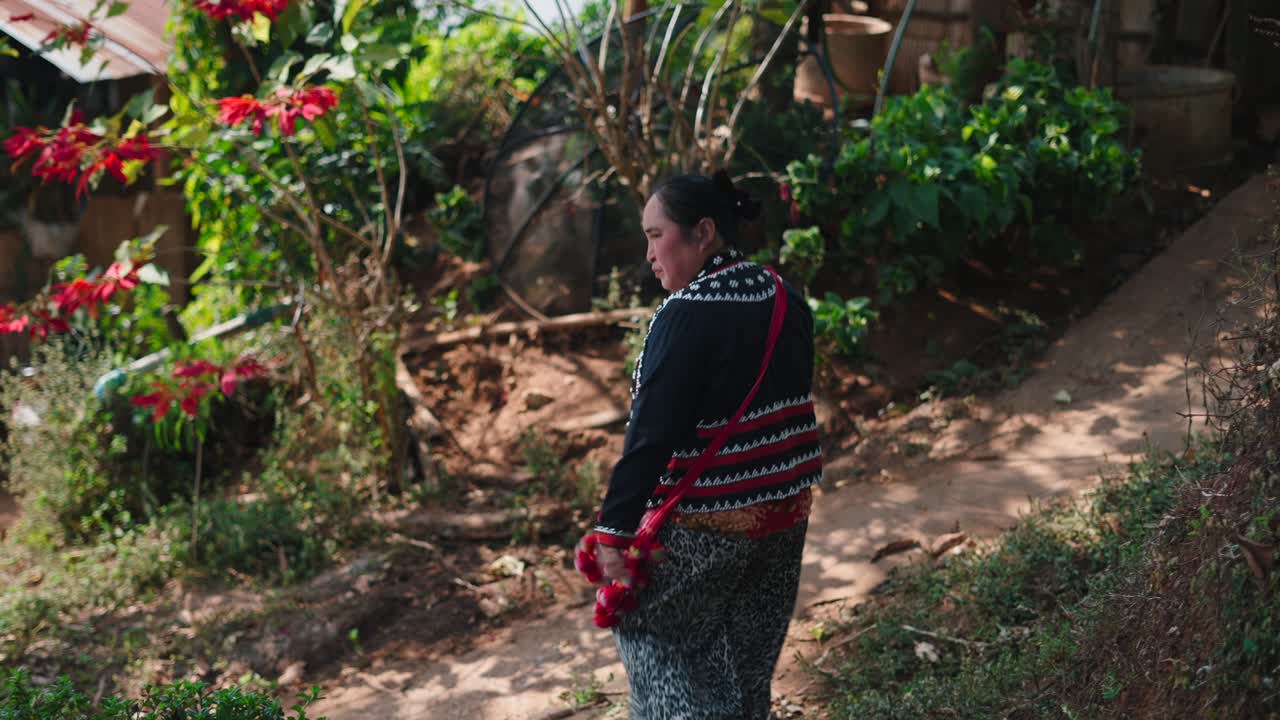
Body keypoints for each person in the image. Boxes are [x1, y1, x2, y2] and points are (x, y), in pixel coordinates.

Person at [586, 171, 822, 719]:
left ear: (704, 232)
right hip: (785, 512)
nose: (648, 253)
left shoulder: (685, 313)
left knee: (658, 645)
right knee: (746, 665)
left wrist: (614, 530)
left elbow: (652, 435)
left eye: (655, 234)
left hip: (706, 525)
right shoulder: (783, 294)